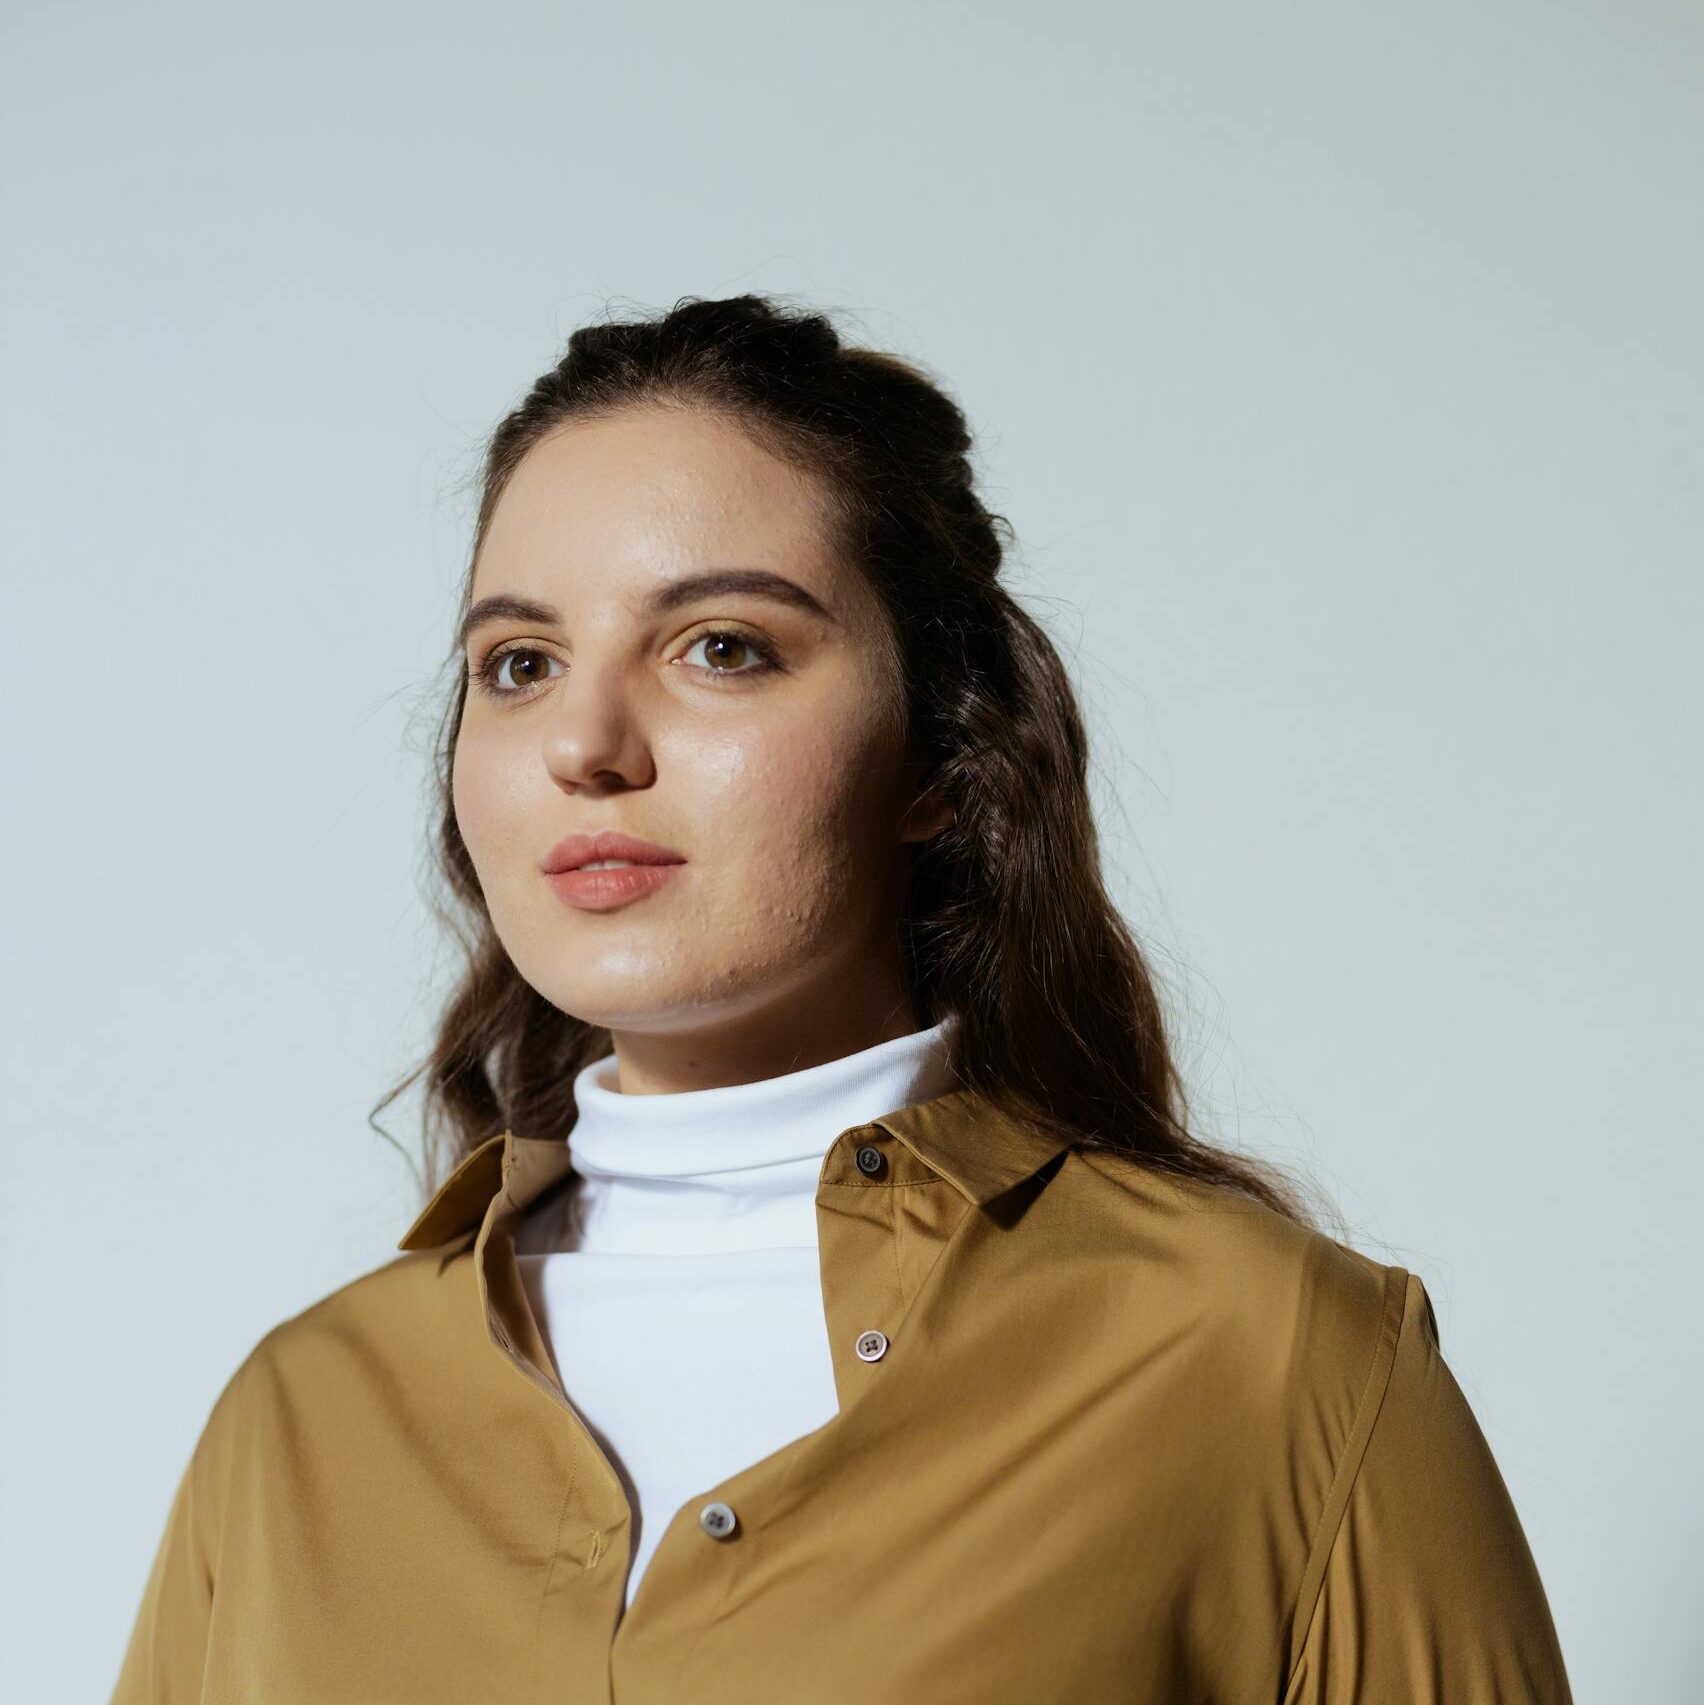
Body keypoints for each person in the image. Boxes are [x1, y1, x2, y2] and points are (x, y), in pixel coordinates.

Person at [110, 295, 1574, 1703]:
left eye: (722, 647)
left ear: (944, 754)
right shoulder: (296, 1420)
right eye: (520, 663)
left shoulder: (1272, 1365)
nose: (587, 742)